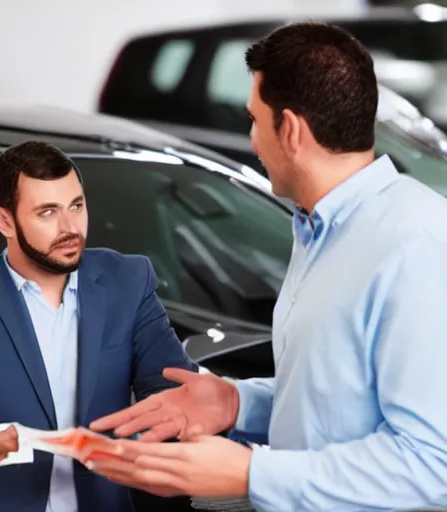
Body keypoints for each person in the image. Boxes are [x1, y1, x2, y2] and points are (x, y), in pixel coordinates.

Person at [83, 22, 447, 511]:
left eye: (255, 119)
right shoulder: (323, 227)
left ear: (291, 130)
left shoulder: (417, 245)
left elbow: (430, 465)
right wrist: (238, 403)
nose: (252, 140)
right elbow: (340, 399)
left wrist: (252, 474)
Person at [0, 140, 197, 512]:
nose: (70, 227)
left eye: (76, 206)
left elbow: (172, 392)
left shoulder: (129, 281)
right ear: (5, 221)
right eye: (47, 213)